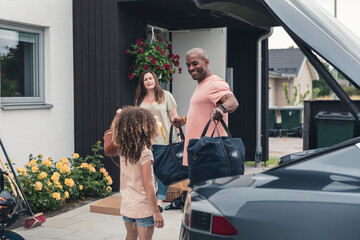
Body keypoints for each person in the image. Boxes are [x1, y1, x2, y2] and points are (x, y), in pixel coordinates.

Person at [172, 47, 239, 167]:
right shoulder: (202, 84)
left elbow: (233, 101)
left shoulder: (214, 83)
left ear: (206, 62)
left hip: (208, 155)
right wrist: (185, 120)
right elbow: (203, 112)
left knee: (207, 186)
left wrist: (221, 108)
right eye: (188, 65)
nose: (191, 68)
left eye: (195, 63)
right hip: (198, 153)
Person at [112, 106, 164, 240]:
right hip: (144, 207)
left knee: (130, 236)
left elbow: (114, 130)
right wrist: (156, 211)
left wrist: (118, 114)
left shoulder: (124, 150)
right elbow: (147, 184)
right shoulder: (145, 153)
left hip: (128, 204)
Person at [134, 69, 181, 212]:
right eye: (145, 79)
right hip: (145, 142)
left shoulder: (166, 96)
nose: (148, 81)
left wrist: (178, 136)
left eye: (150, 78)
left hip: (164, 140)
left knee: (162, 171)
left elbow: (174, 118)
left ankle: (159, 200)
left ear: (155, 80)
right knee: (148, 172)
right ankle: (151, 198)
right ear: (142, 83)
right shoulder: (139, 100)